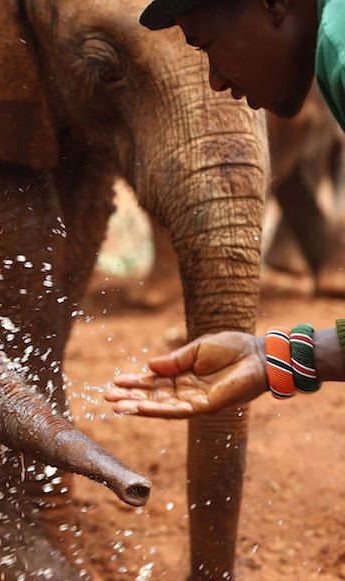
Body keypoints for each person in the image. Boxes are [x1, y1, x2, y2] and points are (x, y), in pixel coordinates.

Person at [104, 0, 345, 417]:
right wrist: (272, 360)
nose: (215, 81)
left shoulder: (337, 47)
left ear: (273, 4)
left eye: (207, 45)